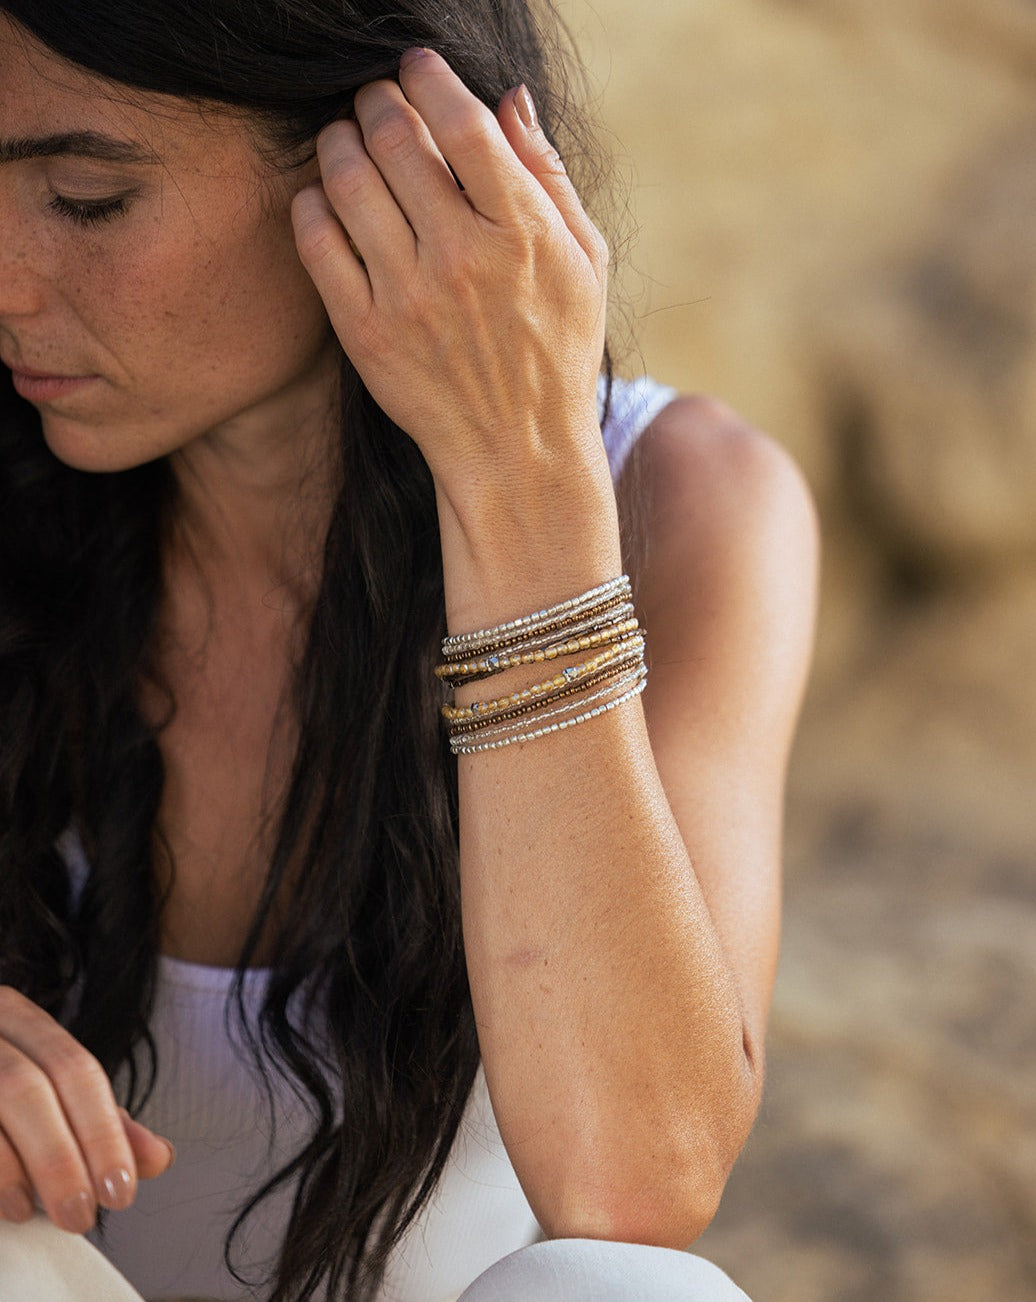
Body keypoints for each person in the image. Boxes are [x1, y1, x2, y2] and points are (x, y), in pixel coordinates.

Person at [0, 0, 818, 1298]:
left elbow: (635, 1182)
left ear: (393, 164)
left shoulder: (678, 498)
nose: (10, 283)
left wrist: (518, 478)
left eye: (87, 198)